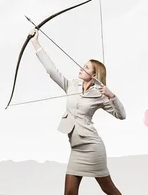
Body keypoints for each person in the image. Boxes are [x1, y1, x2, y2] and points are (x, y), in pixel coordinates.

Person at [28, 28, 126, 195]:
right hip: (76, 148)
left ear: (94, 74)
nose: (81, 67)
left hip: (93, 147)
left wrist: (111, 95)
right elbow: (52, 71)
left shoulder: (100, 94)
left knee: (108, 189)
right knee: (69, 193)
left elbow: (121, 115)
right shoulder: (72, 85)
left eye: (86, 67)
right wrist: (36, 43)